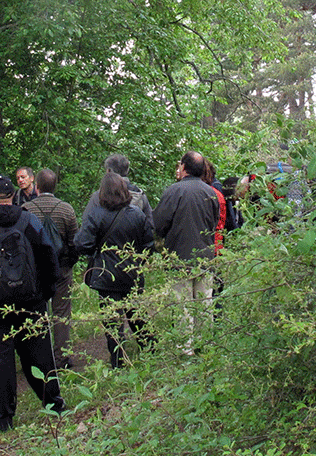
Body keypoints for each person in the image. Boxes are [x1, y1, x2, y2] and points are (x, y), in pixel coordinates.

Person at [0, 175, 64, 431]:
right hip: (32, 301)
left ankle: (3, 418)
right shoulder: (28, 220)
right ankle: (54, 405)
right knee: (40, 355)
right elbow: (48, 256)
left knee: (3, 361)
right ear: (13, 197)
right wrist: (47, 292)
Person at [75, 173, 155, 368]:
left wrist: (97, 251)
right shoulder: (137, 214)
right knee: (136, 314)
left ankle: (117, 361)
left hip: (106, 274)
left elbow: (82, 243)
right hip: (131, 273)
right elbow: (149, 244)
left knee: (112, 320)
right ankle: (150, 349)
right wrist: (137, 260)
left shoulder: (95, 214)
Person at [152, 151, 221, 353]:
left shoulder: (174, 191)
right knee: (204, 303)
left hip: (179, 257)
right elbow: (214, 224)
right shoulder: (211, 193)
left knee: (182, 304)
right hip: (205, 258)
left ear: (183, 167)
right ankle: (205, 346)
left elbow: (158, 224)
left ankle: (185, 349)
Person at [22, 168, 79, 368]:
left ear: (36, 186)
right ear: (55, 186)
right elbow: (74, 242)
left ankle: (38, 358)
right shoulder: (66, 209)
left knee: (36, 312)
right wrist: (69, 263)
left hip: (35, 270)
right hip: (61, 268)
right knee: (62, 312)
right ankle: (62, 357)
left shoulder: (27, 210)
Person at [82, 153, 154, 233]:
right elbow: (149, 225)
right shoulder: (140, 195)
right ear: (127, 170)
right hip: (132, 245)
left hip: (104, 245)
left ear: (108, 171)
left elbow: (86, 225)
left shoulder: (99, 196)